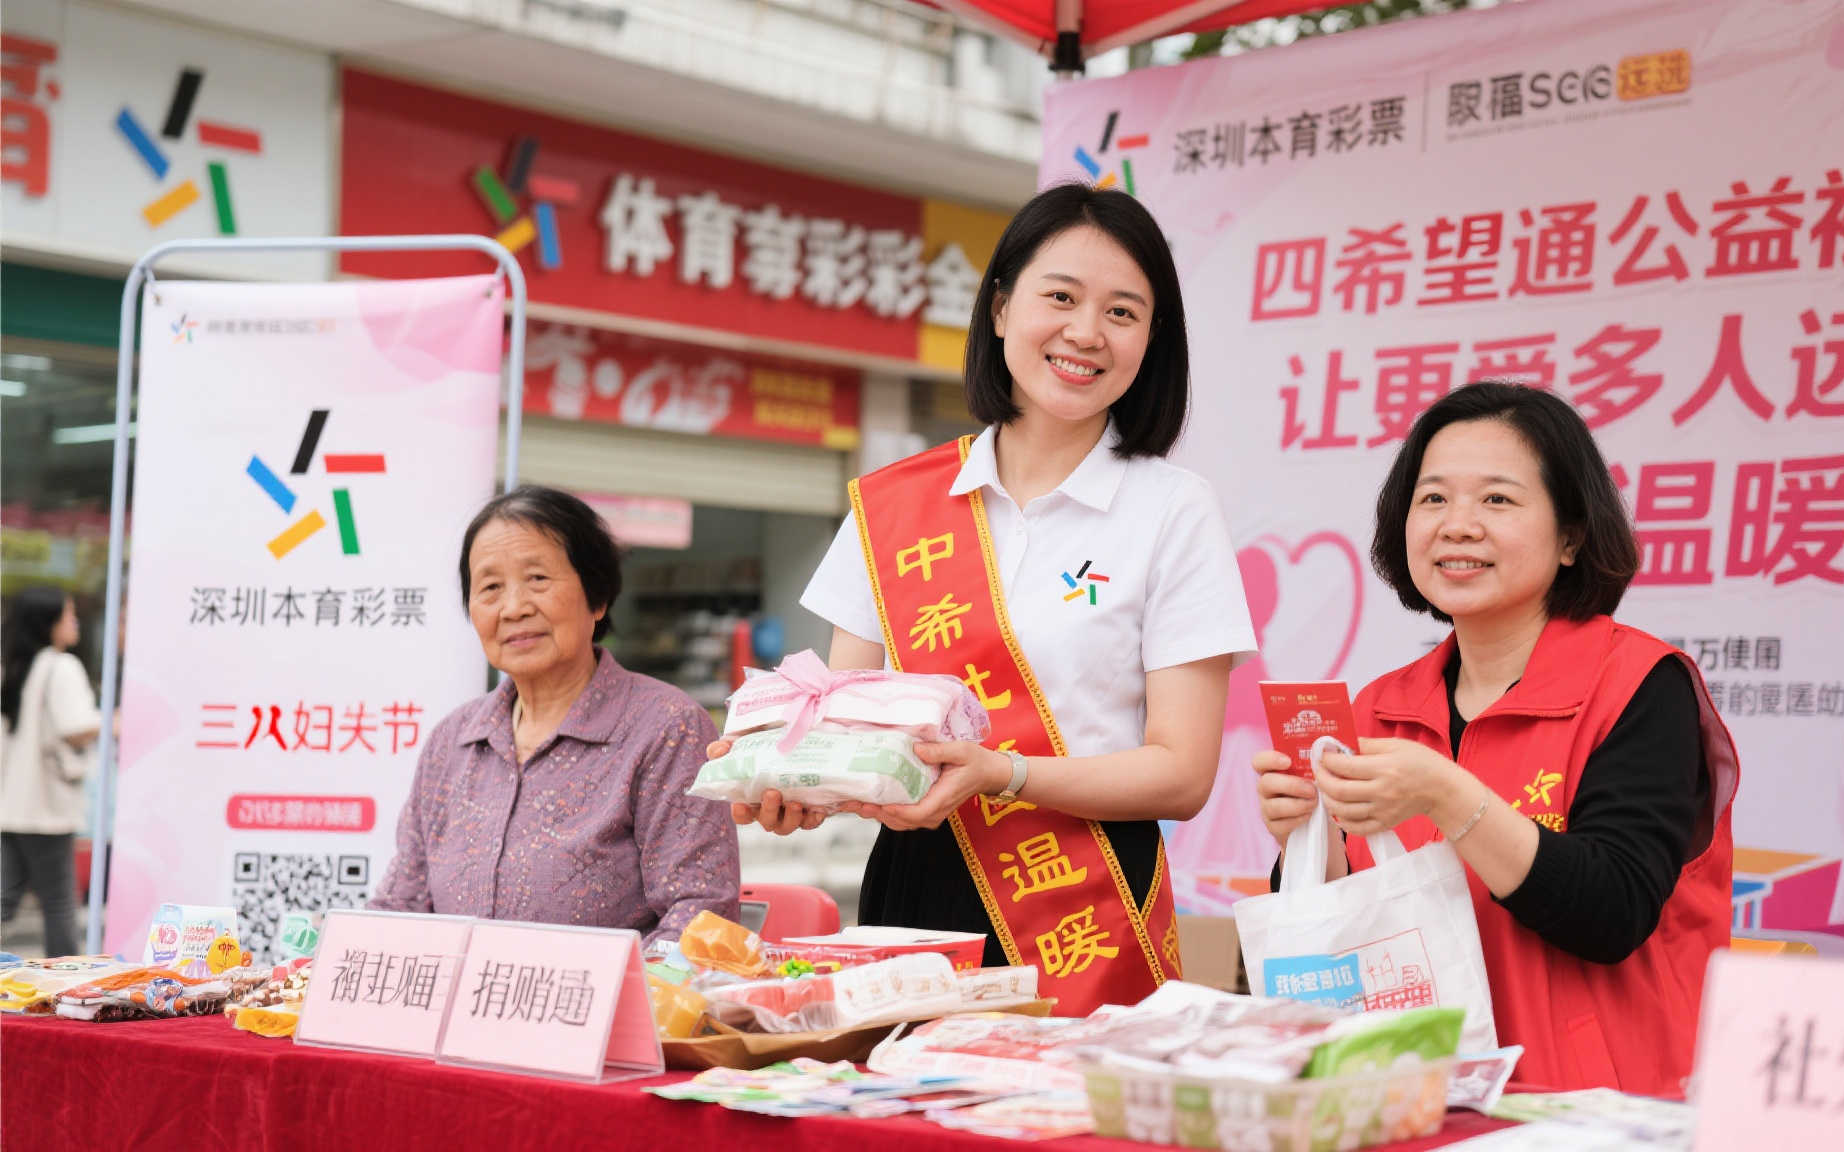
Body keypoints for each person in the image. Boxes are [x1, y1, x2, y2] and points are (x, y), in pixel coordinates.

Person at [719, 183, 1257, 1014]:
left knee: (1068, 1102)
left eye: (1122, 312)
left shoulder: (1173, 509)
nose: (1087, 333)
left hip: (1087, 900)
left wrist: (1001, 773)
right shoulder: (895, 504)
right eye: (1061, 298)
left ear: (1152, 340)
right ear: (1001, 309)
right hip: (917, 894)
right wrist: (791, 785)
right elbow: (845, 728)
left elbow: (1182, 773)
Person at [1254, 381, 1738, 1096]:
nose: (1457, 525)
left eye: (1497, 500)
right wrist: (1308, 839)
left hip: (1593, 1111)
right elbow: (1351, 936)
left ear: (1572, 536)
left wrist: (1450, 798)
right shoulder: (1379, 707)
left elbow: (1613, 913)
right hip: (1417, 1101)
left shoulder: (1639, 684)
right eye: (1433, 499)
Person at [370, 486, 739, 941]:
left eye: (538, 579)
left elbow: (701, 916)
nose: (514, 608)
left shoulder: (667, 727)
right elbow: (400, 905)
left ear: (597, 597)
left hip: (610, 990)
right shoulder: (452, 741)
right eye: (490, 588)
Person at [2, 585, 101, 958]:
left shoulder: (13, 667)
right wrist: (110, 721)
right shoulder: (61, 666)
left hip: (12, 804)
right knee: (59, 903)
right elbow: (75, 726)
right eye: (68, 614)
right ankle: (66, 981)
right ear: (48, 623)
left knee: (6, 896)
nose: (75, 622)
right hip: (46, 805)